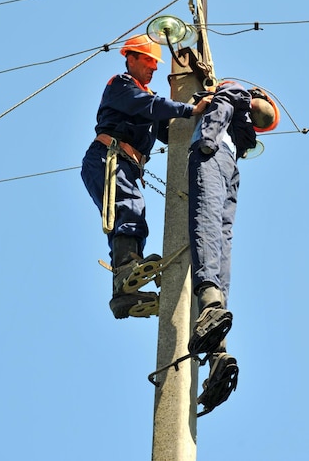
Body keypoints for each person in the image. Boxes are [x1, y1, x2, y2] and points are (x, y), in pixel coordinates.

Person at [81, 34, 212, 320]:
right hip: (108, 157)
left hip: (124, 163)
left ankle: (124, 293)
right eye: (149, 61)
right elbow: (150, 107)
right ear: (131, 58)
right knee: (128, 208)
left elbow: (166, 127)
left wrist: (199, 112)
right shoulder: (122, 85)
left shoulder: (147, 98)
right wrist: (190, 108)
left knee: (131, 215)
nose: (154, 68)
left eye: (155, 63)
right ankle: (127, 268)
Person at [186, 80, 280, 414]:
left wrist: (207, 140)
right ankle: (217, 353)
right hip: (228, 165)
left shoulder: (233, 94)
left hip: (216, 159)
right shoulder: (242, 114)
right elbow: (228, 107)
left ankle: (211, 308)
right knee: (221, 243)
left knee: (207, 226)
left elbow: (223, 103)